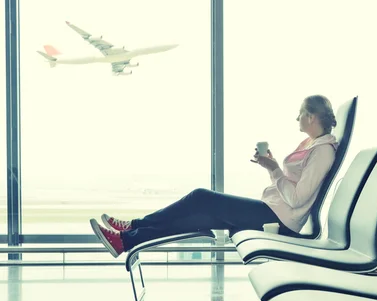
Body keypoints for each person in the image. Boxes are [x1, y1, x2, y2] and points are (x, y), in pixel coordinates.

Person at [90, 95, 339, 258]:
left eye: (300, 113)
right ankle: (125, 240)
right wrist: (271, 166)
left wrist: (273, 169)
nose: (296, 118)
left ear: (311, 117)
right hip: (272, 210)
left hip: (281, 220)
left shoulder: (323, 152)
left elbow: (297, 199)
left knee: (201, 197)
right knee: (197, 217)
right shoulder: (311, 143)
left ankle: (134, 226)